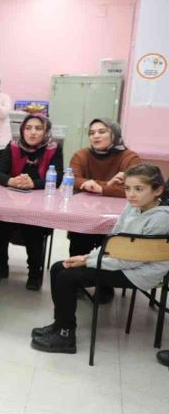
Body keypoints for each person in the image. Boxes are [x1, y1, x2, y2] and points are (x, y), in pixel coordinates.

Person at [31, 164, 169, 354]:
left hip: (138, 272)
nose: (131, 194)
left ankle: (65, 336)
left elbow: (132, 260)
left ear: (158, 190)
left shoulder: (161, 219)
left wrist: (87, 261)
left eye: (139, 189)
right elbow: (113, 242)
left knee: (67, 277)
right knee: (58, 268)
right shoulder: (132, 207)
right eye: (128, 188)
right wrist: (87, 256)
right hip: (123, 261)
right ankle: (60, 324)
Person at [68, 118, 142, 303]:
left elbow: (137, 189)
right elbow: (73, 179)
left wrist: (100, 187)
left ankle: (105, 285)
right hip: (87, 213)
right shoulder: (81, 155)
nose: (96, 136)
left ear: (114, 134)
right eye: (92, 132)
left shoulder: (130, 158)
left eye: (102, 131)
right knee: (79, 235)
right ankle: (76, 279)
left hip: (118, 216)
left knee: (110, 242)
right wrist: (109, 185)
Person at [0, 114, 64, 289]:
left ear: (46, 131)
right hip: (11, 201)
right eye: (28, 128)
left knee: (33, 228)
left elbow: (58, 178)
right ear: (22, 130)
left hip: (39, 204)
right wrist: (11, 181)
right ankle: (1, 265)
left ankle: (34, 273)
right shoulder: (13, 145)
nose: (32, 132)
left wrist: (34, 184)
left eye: (38, 128)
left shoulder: (53, 149)